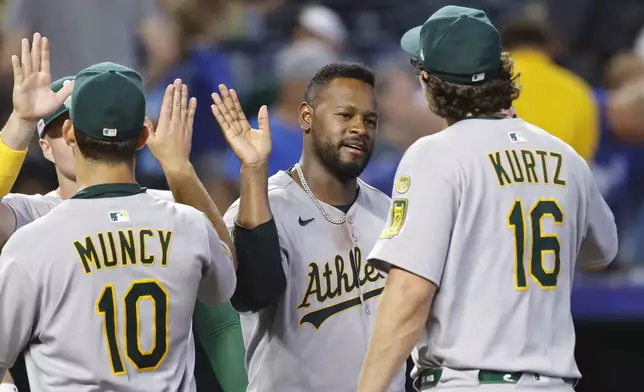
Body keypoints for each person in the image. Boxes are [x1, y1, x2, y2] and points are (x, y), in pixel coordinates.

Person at [357, 5, 618, 392]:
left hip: (470, 382)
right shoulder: (564, 156)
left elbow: (410, 294)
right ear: (501, 71)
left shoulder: (435, 154)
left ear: (429, 81)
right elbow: (603, 252)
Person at [0, 34, 248, 392]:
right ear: (145, 135)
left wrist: (179, 171)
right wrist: (179, 169)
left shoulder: (32, 242)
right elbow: (223, 280)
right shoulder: (184, 220)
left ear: (71, 133)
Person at [210, 64, 406, 392]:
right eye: (345, 115)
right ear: (306, 117)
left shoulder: (386, 211)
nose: (360, 128)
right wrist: (254, 171)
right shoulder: (264, 206)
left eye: (369, 121)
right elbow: (252, 294)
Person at [501, 18, 599, 161]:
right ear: (550, 49)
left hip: (499, 174)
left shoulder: (485, 80)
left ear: (503, 48)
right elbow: (583, 156)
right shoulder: (578, 88)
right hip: (556, 176)